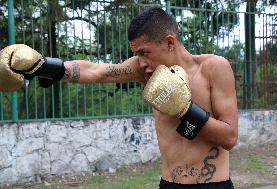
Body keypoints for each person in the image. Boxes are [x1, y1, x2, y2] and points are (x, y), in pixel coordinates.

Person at [0, 6, 238, 189]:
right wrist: (44, 67)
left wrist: (185, 109)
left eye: (145, 53)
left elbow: (229, 137)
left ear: (169, 42)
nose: (140, 62)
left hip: (213, 184)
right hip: (168, 184)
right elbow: (97, 71)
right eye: (136, 54)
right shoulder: (145, 71)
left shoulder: (213, 68)